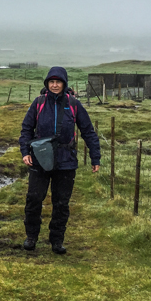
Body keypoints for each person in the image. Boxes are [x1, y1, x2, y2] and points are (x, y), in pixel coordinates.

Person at [19, 67, 101, 254]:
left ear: (64, 83)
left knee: (61, 203)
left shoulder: (73, 104)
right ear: (47, 84)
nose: (55, 85)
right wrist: (25, 152)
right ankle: (31, 236)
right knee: (33, 199)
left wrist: (95, 157)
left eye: (58, 82)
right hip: (40, 159)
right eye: (51, 82)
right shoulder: (38, 103)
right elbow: (26, 130)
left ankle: (57, 240)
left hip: (66, 161)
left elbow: (88, 131)